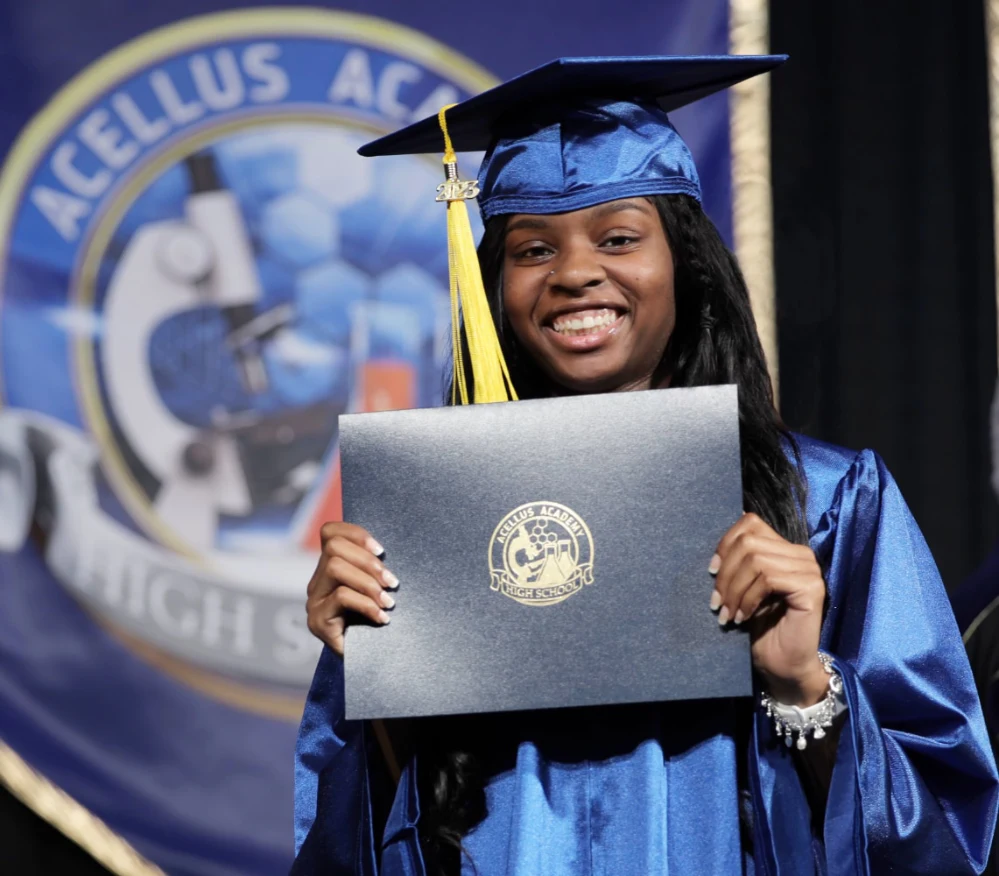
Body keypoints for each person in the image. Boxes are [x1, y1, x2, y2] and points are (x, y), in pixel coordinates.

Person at [292, 56, 999, 875]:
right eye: (530, 248)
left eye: (619, 237)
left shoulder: (829, 500)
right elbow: (366, 842)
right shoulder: (434, 525)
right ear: (495, 287)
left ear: (685, 265)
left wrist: (806, 686)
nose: (574, 272)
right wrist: (377, 677)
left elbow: (949, 836)